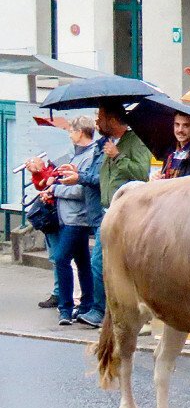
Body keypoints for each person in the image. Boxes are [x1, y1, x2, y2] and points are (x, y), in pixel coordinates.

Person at [69, 100, 152, 329]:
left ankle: (103, 311)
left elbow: (141, 173)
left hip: (126, 213)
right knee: (103, 264)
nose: (97, 122)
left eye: (100, 118)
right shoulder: (107, 143)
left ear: (113, 120)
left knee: (101, 263)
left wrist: (117, 156)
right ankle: (105, 310)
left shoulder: (135, 141)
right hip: (106, 212)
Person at [43, 116, 99, 325]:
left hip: (77, 218)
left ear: (80, 132)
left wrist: (55, 189)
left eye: (71, 131)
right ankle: (86, 305)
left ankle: (65, 308)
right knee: (83, 262)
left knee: (61, 258)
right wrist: (55, 181)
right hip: (69, 217)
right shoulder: (77, 154)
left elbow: (80, 190)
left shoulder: (89, 155)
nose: (69, 135)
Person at [23, 154, 62, 309]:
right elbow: (42, 185)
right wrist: (36, 173)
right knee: (55, 256)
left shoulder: (66, 160)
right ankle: (59, 292)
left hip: (63, 215)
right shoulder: (56, 161)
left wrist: (41, 171)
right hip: (52, 215)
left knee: (60, 257)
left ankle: (62, 293)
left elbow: (53, 182)